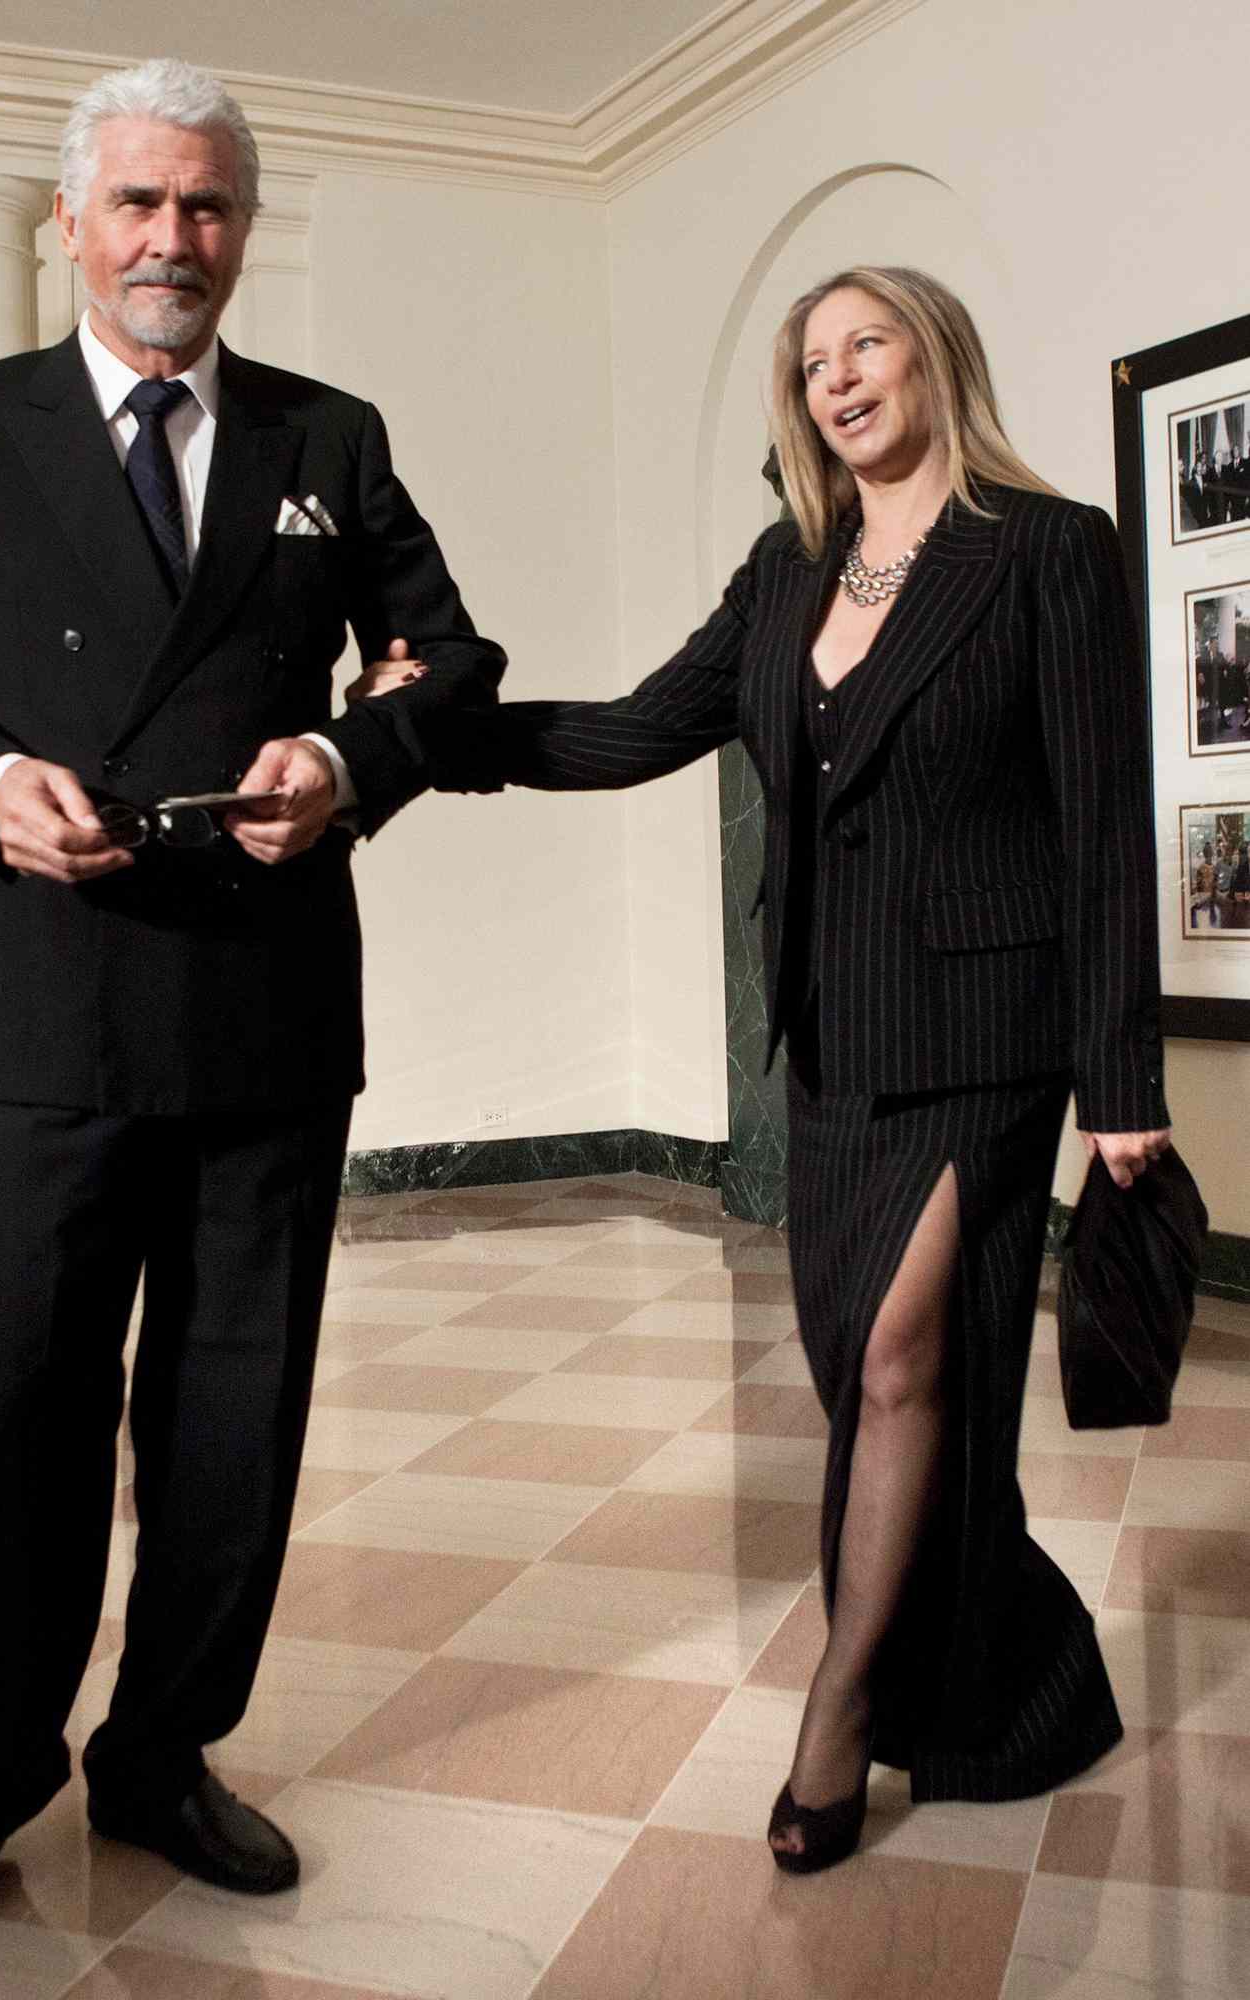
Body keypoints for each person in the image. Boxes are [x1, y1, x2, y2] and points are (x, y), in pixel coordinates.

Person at [0, 56, 503, 1967]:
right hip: (46, 1015)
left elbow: (452, 661)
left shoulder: (329, 431)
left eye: (205, 205)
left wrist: (344, 752)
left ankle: (159, 1755)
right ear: (70, 223)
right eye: (136, 203)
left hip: (265, 1011)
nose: (170, 239)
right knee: (17, 1409)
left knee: (234, 1422)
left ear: (242, 229)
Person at [419, 265, 1170, 1872]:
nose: (835, 379)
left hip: (986, 1036)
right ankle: (1020, 1677)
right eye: (809, 359)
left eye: (864, 344)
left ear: (932, 356)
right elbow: (629, 730)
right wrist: (423, 745)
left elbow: (1108, 826)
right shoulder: (784, 569)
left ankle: (839, 1714)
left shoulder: (1045, 550)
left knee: (899, 1361)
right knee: (880, 1385)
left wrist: (1121, 1079)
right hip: (828, 1042)